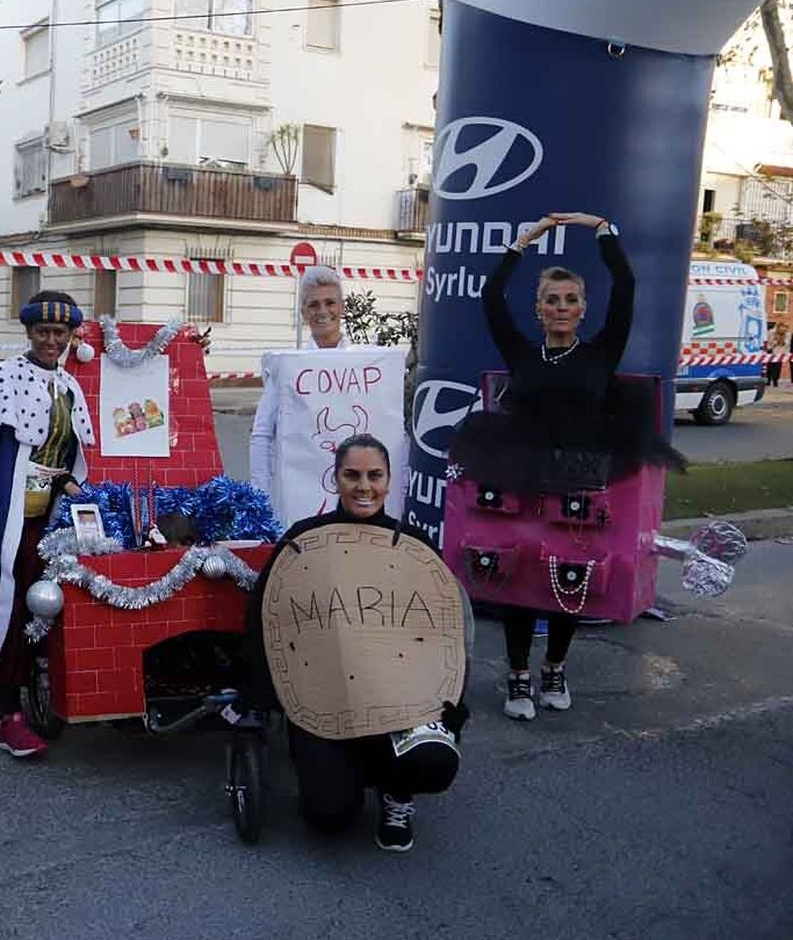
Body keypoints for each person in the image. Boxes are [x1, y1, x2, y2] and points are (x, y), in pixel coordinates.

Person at [451, 212, 682, 721]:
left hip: (581, 477)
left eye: (570, 299)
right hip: (522, 474)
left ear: (583, 309)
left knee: (568, 571)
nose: (561, 308)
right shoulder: (522, 353)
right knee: (518, 571)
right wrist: (523, 240)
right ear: (538, 310)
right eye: (551, 300)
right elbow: (491, 297)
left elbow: (625, 283)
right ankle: (516, 677)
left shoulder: (601, 352)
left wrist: (597, 226)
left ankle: (555, 667)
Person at [244, 435, 466, 852]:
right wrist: (262, 692)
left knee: (435, 762)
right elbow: (266, 619)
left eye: (374, 476)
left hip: (399, 697)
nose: (364, 486)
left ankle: (396, 793)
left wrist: (451, 701)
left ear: (388, 480)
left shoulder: (414, 547)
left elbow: (445, 632)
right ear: (336, 479)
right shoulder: (304, 541)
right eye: (353, 475)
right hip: (327, 700)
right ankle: (348, 770)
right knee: (329, 819)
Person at [0, 290, 94, 759]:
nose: (52, 340)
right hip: (10, 519)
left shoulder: (70, 386)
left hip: (50, 518)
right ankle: (8, 708)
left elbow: (69, 453)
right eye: (43, 332)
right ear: (29, 332)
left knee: (40, 610)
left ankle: (5, 692)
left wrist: (69, 481)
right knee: (11, 609)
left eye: (61, 333)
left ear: (71, 337)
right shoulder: (2, 380)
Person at [248, 265, 353, 496]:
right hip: (299, 495)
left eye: (330, 302)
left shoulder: (364, 367)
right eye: (313, 305)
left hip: (353, 493)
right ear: (304, 313)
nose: (322, 311)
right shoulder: (287, 369)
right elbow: (262, 434)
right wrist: (261, 497)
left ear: (342, 307)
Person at [767, 323, 788, 388]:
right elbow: (769, 341)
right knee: (770, 366)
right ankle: (768, 380)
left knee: (778, 367)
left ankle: (775, 380)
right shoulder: (771, 332)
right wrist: (775, 342)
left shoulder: (786, 333)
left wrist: (784, 342)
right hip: (772, 351)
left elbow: (787, 343)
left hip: (780, 352)